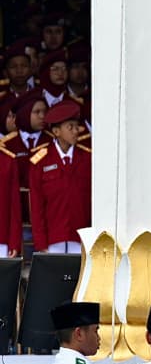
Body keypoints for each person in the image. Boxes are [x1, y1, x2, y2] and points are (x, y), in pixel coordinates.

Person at [28, 100, 91, 255]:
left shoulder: (88, 159)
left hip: (81, 239)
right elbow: (36, 206)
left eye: (77, 127)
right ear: (56, 132)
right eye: (70, 127)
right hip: (52, 240)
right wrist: (41, 242)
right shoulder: (40, 161)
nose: (76, 131)